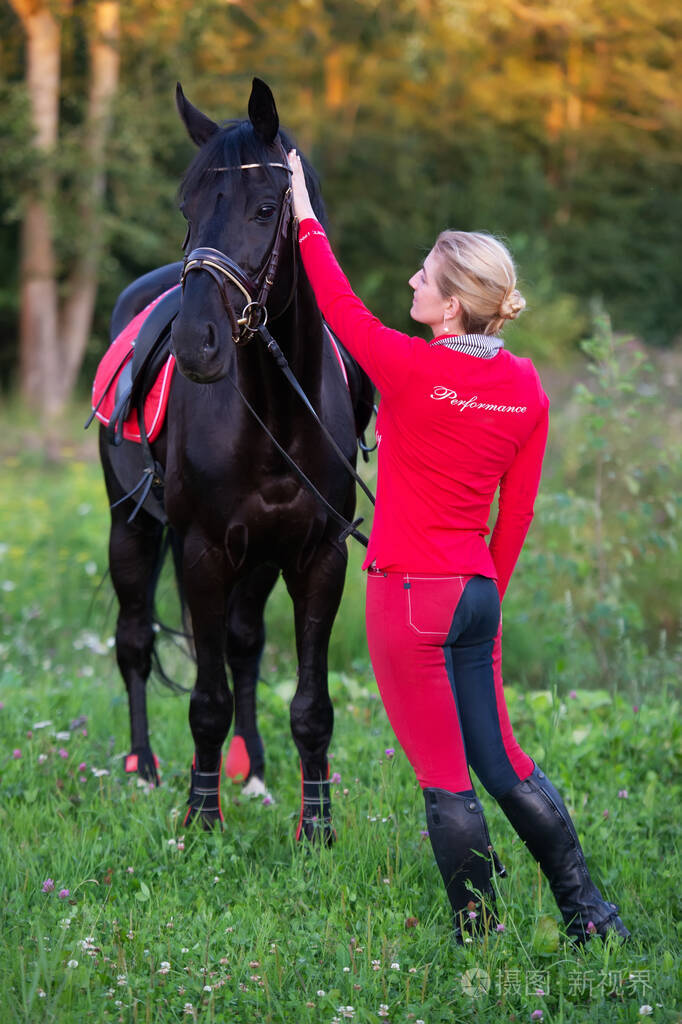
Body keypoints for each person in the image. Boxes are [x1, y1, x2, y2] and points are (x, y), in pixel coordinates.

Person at [287, 150, 629, 945]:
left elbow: (334, 301)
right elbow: (518, 514)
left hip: (411, 597)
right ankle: (591, 915)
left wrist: (304, 209)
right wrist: (490, 593)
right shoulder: (529, 386)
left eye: (422, 277)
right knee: (503, 763)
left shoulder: (408, 370)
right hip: (476, 593)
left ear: (450, 308)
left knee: (447, 781)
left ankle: (480, 943)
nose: (410, 281)